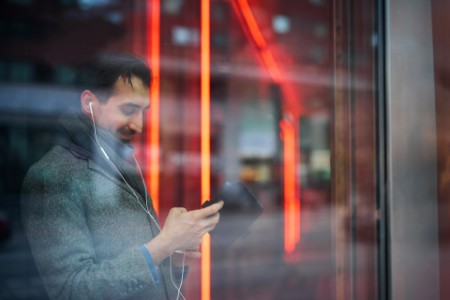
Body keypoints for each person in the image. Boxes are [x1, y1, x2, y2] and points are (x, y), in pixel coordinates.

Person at [20, 53, 223, 300]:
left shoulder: (118, 165)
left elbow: (145, 279)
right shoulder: (52, 176)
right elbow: (71, 291)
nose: (138, 125)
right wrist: (165, 243)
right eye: (129, 109)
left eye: (143, 111)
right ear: (89, 104)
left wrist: (176, 256)